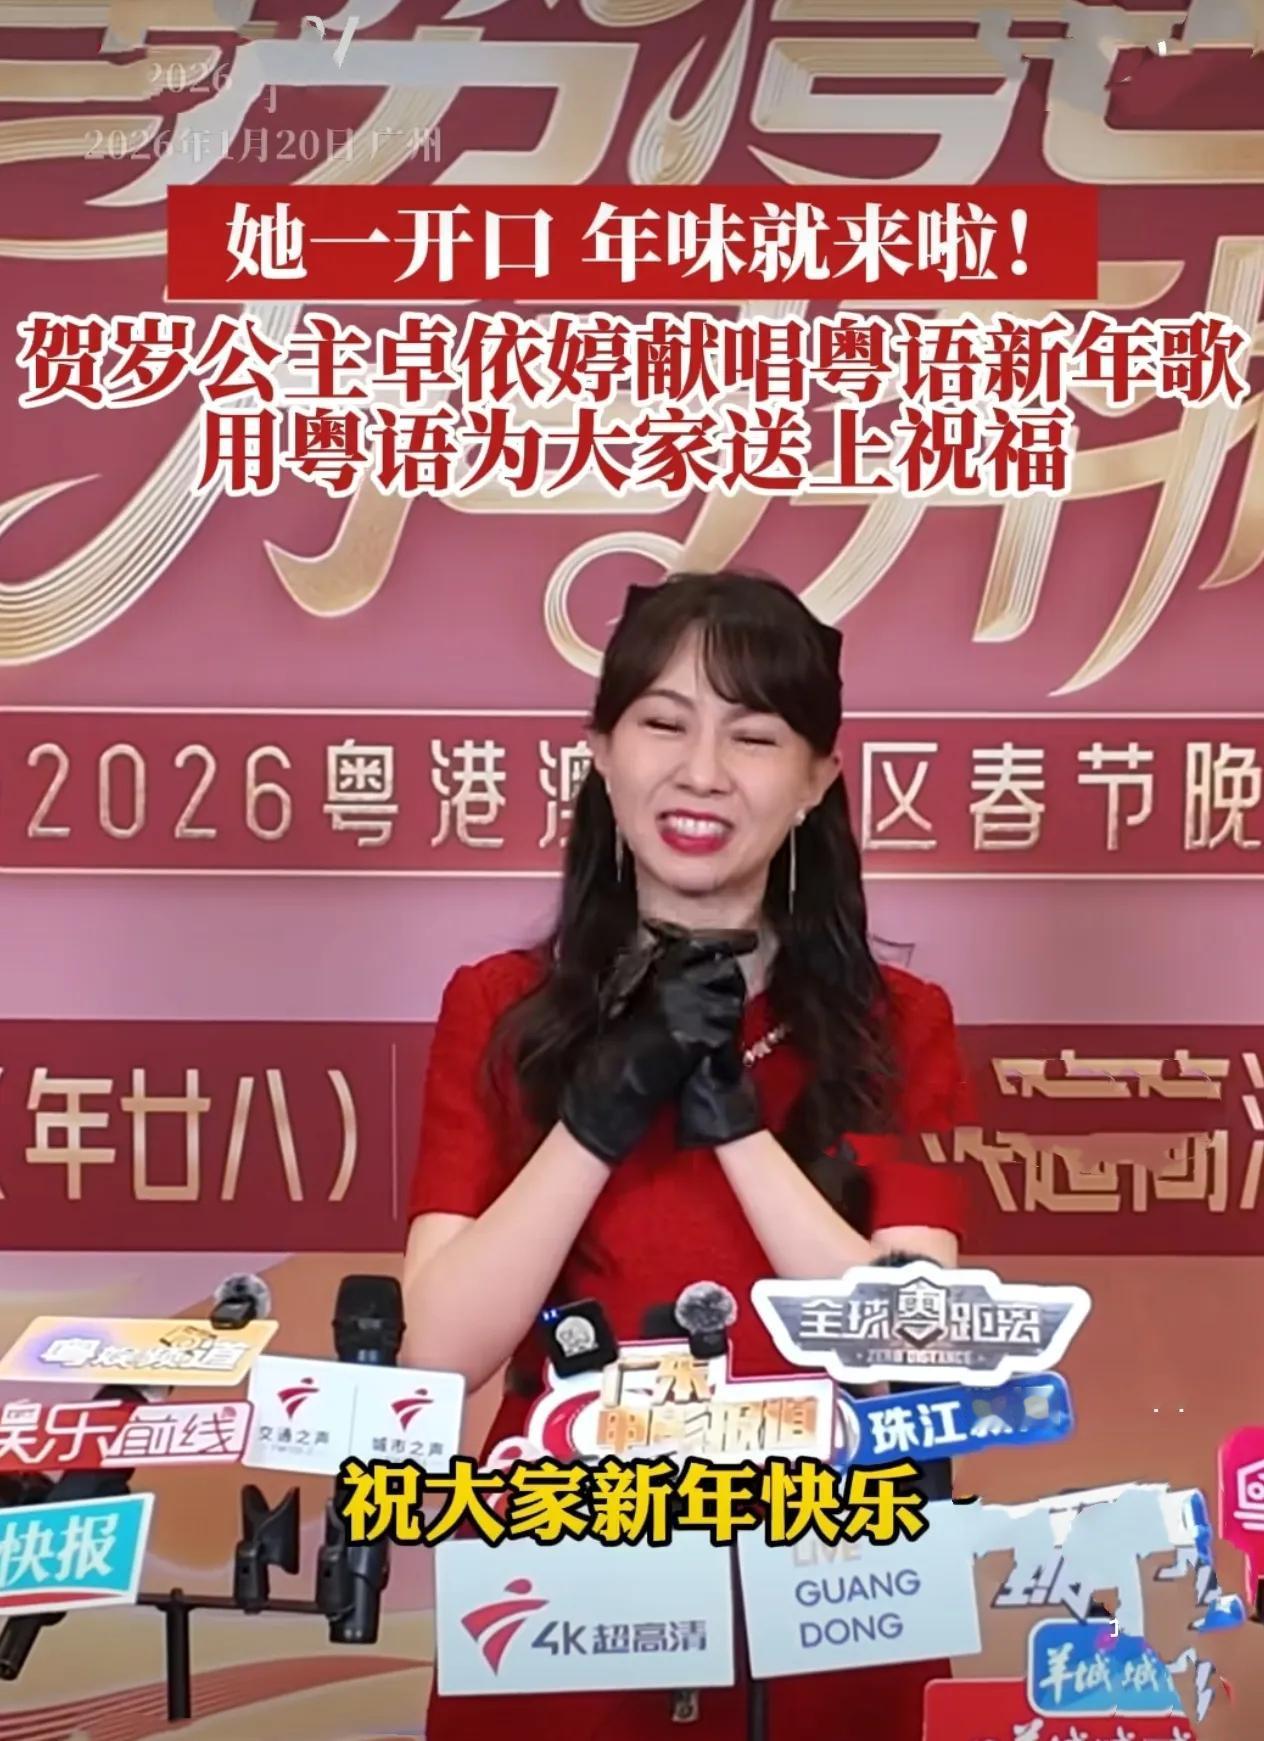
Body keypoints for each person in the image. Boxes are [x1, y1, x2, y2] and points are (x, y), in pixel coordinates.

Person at [402, 571, 976, 1740]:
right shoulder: (500, 1009)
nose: (702, 770)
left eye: (753, 736)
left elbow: (910, 1350)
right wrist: (595, 1118)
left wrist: (738, 1126)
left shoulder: (898, 1024)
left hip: (831, 1573)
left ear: (816, 780)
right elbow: (440, 1348)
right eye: (663, 723)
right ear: (601, 754)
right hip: (566, 1576)